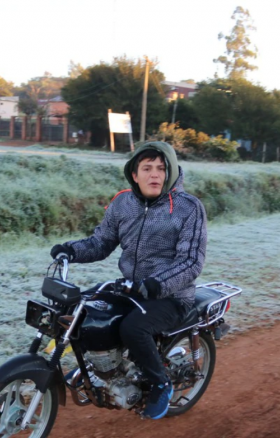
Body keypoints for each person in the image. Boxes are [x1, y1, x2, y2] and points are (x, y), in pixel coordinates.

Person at [50, 141, 207, 419]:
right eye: (147, 168)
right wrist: (70, 250)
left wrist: (156, 284)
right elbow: (102, 242)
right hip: (131, 288)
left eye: (161, 168)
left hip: (171, 295)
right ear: (134, 174)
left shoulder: (188, 208)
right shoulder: (124, 202)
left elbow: (190, 262)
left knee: (134, 328)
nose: (155, 174)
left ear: (170, 172)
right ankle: (98, 367)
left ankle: (161, 383)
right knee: (80, 310)